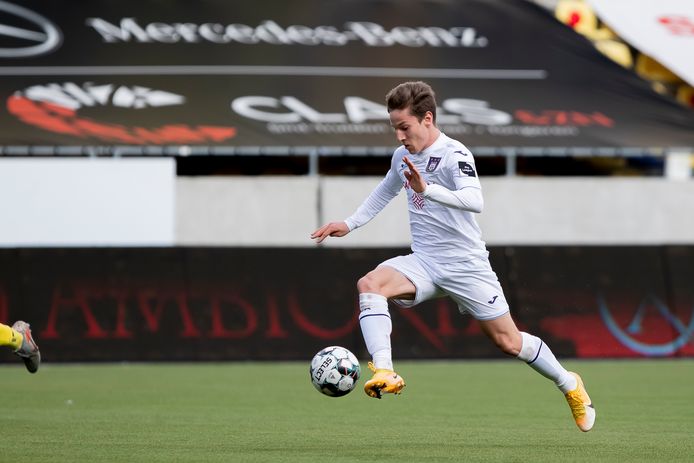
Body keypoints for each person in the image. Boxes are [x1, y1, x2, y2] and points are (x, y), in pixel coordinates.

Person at [311, 81, 595, 432]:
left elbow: (475, 200)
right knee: (370, 284)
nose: (399, 136)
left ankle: (569, 384)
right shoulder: (402, 156)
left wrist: (427, 190)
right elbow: (385, 190)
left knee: (509, 342)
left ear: (426, 118)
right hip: (425, 262)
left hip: (466, 266)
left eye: (405, 127)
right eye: (395, 128)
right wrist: (349, 223)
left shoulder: (454, 154)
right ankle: (384, 368)